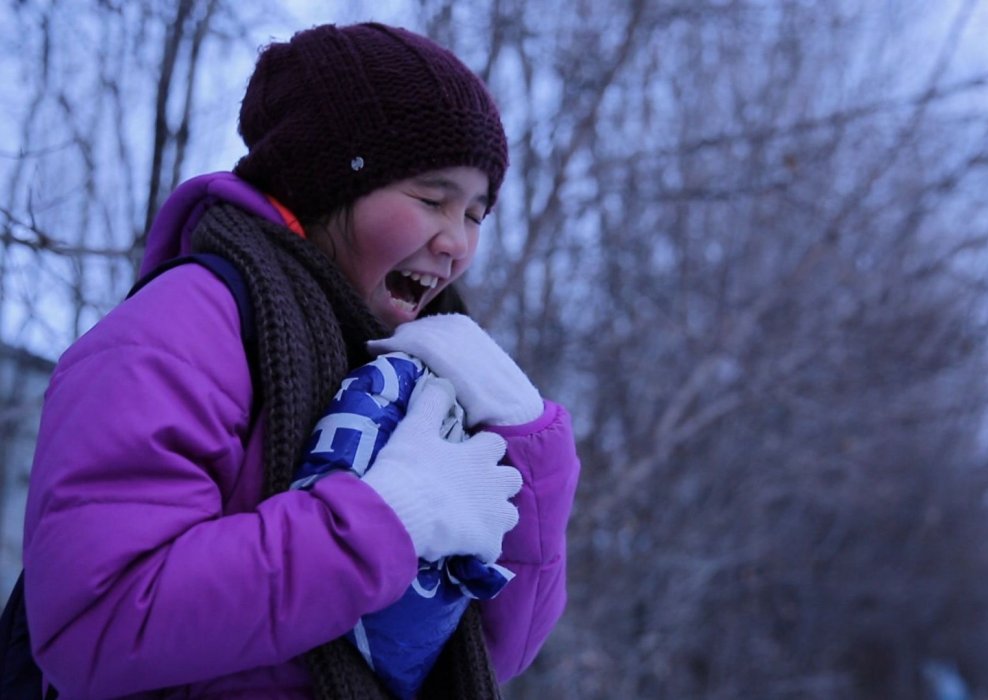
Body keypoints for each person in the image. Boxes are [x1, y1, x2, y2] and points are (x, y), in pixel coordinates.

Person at [21, 21, 580, 700]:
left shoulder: (420, 368)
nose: (457, 243)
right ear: (328, 184)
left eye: (476, 213)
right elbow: (95, 625)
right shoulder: (177, 332)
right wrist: (385, 520)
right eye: (432, 200)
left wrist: (529, 451)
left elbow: (499, 650)